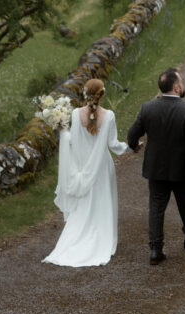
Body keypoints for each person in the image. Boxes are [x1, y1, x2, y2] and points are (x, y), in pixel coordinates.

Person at [42, 78, 129, 267]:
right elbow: (114, 145)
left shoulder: (74, 114)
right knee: (103, 202)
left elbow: (72, 140)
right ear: (102, 94)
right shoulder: (109, 116)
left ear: (84, 94)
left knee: (84, 206)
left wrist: (62, 131)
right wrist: (129, 147)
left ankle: (77, 238)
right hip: (102, 169)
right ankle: (103, 237)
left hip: (82, 168)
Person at [127, 68, 185, 265]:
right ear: (177, 87)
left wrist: (134, 146)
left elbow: (132, 134)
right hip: (182, 169)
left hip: (156, 169)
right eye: (181, 81)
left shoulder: (148, 108)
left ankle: (156, 249)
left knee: (156, 207)